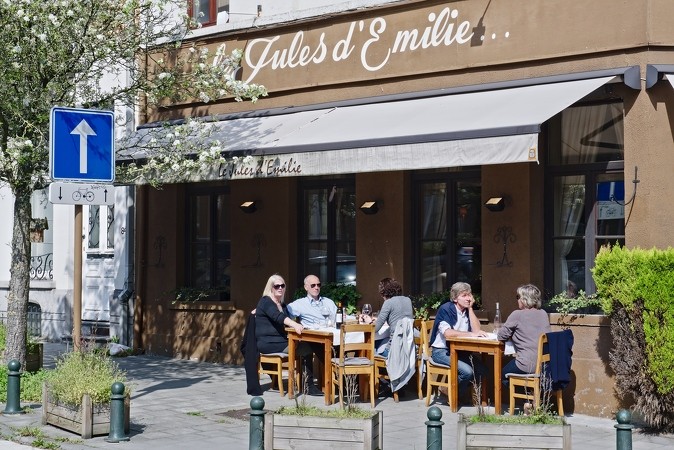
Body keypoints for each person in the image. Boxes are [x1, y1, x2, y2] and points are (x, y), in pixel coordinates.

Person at [254, 274, 321, 395]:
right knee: (307, 348)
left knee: (310, 346)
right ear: (271, 288)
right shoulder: (266, 301)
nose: (280, 288)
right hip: (268, 343)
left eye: (282, 285)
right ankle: (309, 386)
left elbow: (287, 318)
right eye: (277, 286)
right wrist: (294, 325)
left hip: (281, 341)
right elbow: (279, 317)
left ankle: (308, 383)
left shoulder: (282, 304)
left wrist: (299, 324)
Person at [430, 281, 488, 398]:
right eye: (464, 295)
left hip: (460, 352)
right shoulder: (446, 309)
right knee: (467, 372)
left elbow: (476, 330)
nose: (468, 298)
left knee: (482, 370)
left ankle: (450, 390)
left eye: (469, 295)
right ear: (455, 298)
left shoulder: (467, 310)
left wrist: (471, 309)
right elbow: (448, 333)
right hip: (441, 352)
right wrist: (470, 334)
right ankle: (452, 395)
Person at [286, 274, 336, 395]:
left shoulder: (328, 302)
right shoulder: (299, 304)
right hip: (311, 338)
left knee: (340, 346)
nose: (316, 287)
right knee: (307, 345)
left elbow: (338, 318)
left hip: (330, 336)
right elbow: (284, 314)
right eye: (313, 285)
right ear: (306, 287)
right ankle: (309, 385)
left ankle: (342, 381)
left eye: (318, 285)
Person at [496, 284, 552, 385]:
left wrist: (511, 333)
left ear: (524, 299)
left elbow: (501, 336)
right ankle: (530, 397)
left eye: (518, 297)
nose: (517, 300)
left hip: (526, 364)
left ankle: (525, 400)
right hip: (544, 365)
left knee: (501, 375)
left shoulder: (517, 314)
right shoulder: (543, 313)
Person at [361, 278, 414, 357]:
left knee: (371, 346)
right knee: (382, 340)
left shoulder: (388, 302)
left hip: (394, 351)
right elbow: (399, 318)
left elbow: (375, 329)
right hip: (408, 347)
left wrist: (369, 321)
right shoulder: (407, 300)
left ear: (383, 292)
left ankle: (368, 367)